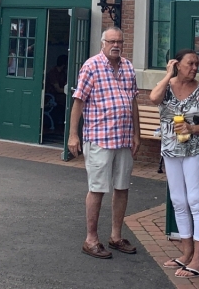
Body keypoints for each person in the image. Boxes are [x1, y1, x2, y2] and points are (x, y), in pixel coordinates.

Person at [67, 27, 140, 259]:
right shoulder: (91, 66)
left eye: (119, 41)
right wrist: (73, 135)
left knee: (122, 187)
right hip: (99, 138)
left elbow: (133, 102)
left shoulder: (128, 67)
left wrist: (137, 134)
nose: (116, 45)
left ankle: (116, 237)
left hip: (124, 138)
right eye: (111, 41)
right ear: (103, 43)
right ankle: (91, 239)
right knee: (97, 188)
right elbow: (78, 102)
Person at [150, 48, 199, 279]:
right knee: (178, 201)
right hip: (171, 151)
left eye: (197, 64)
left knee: (196, 201)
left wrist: (192, 128)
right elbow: (152, 98)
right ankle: (186, 253)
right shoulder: (167, 88)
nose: (195, 67)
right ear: (177, 64)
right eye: (190, 63)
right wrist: (168, 74)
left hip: (194, 151)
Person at [44, 54, 68, 119]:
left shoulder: (63, 73)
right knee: (67, 101)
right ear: (64, 64)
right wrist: (67, 91)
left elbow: (66, 84)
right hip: (51, 96)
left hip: (59, 95)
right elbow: (58, 89)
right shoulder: (53, 73)